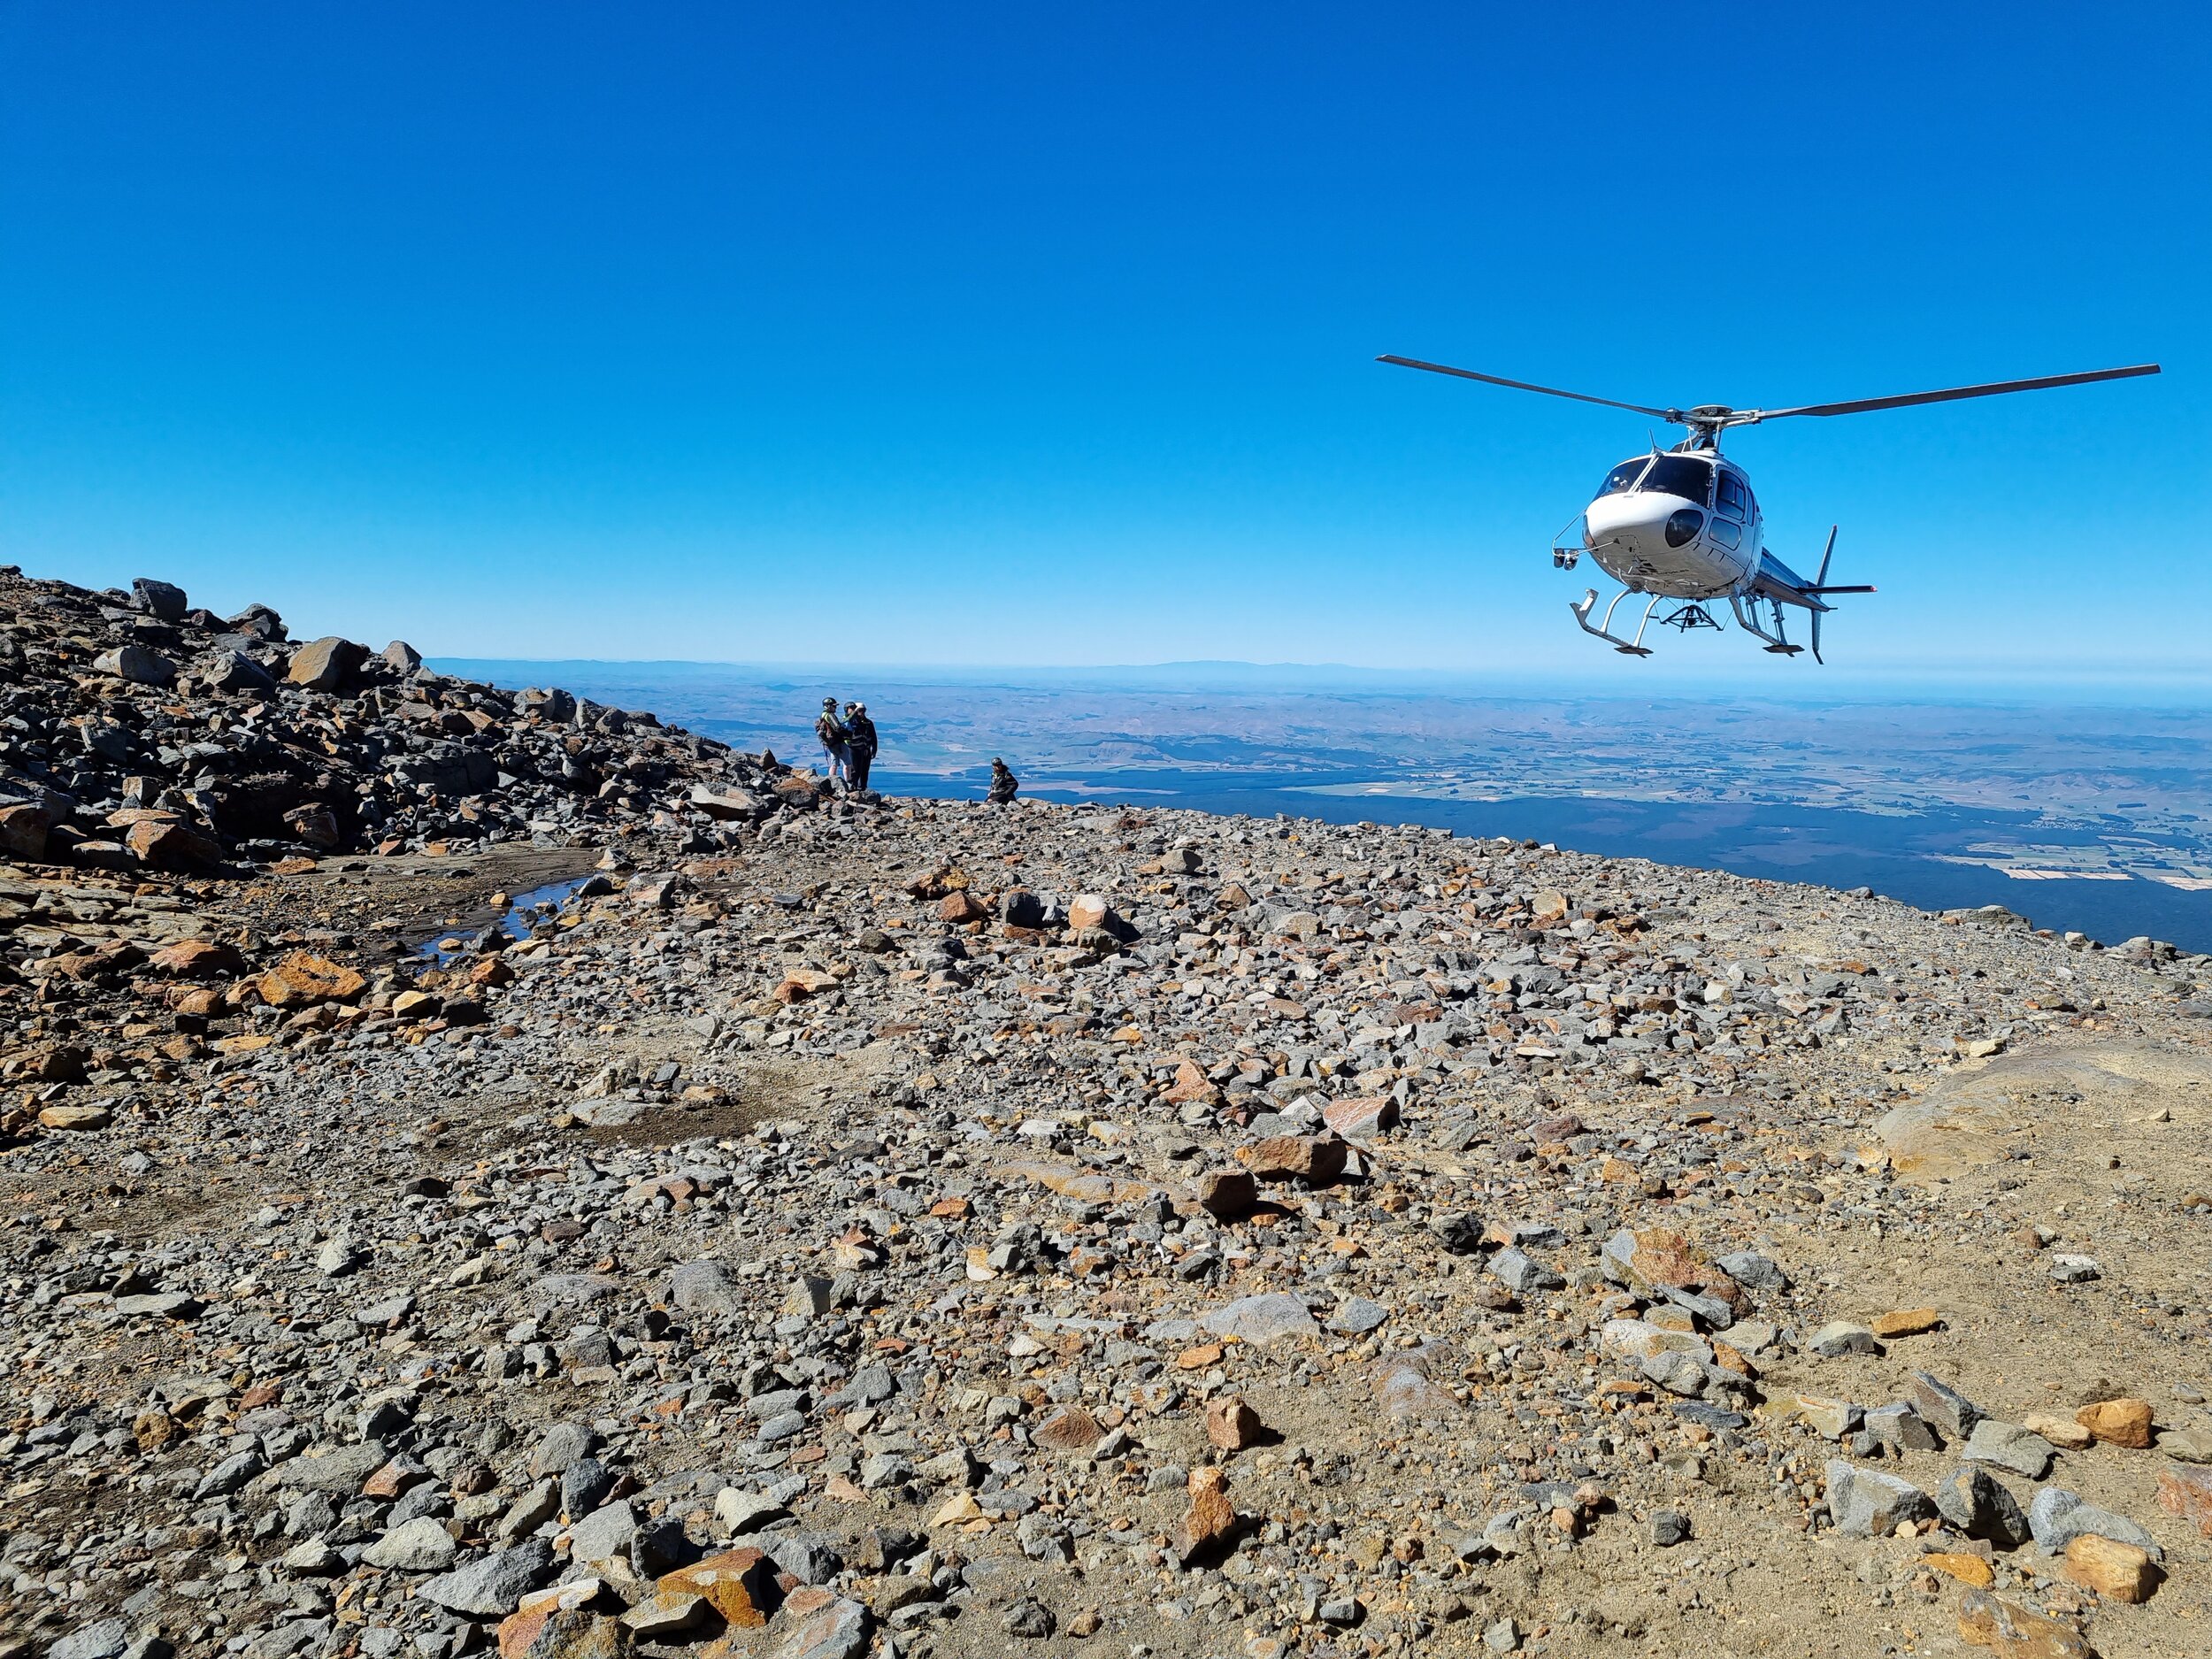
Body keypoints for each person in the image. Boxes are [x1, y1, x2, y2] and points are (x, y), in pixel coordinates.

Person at [814, 696, 851, 789]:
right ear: (828, 706)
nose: (835, 708)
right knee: (847, 763)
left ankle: (831, 783)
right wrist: (847, 734)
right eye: (833, 706)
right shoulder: (830, 715)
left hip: (830, 743)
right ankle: (849, 783)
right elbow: (837, 727)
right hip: (838, 742)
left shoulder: (823, 715)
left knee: (834, 764)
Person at [842, 702, 879, 793]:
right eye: (859, 711)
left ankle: (863, 787)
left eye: (863, 711)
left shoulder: (868, 723)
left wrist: (874, 750)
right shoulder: (851, 722)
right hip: (853, 749)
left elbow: (873, 737)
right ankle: (853, 787)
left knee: (865, 769)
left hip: (866, 749)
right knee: (855, 769)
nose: (862, 713)